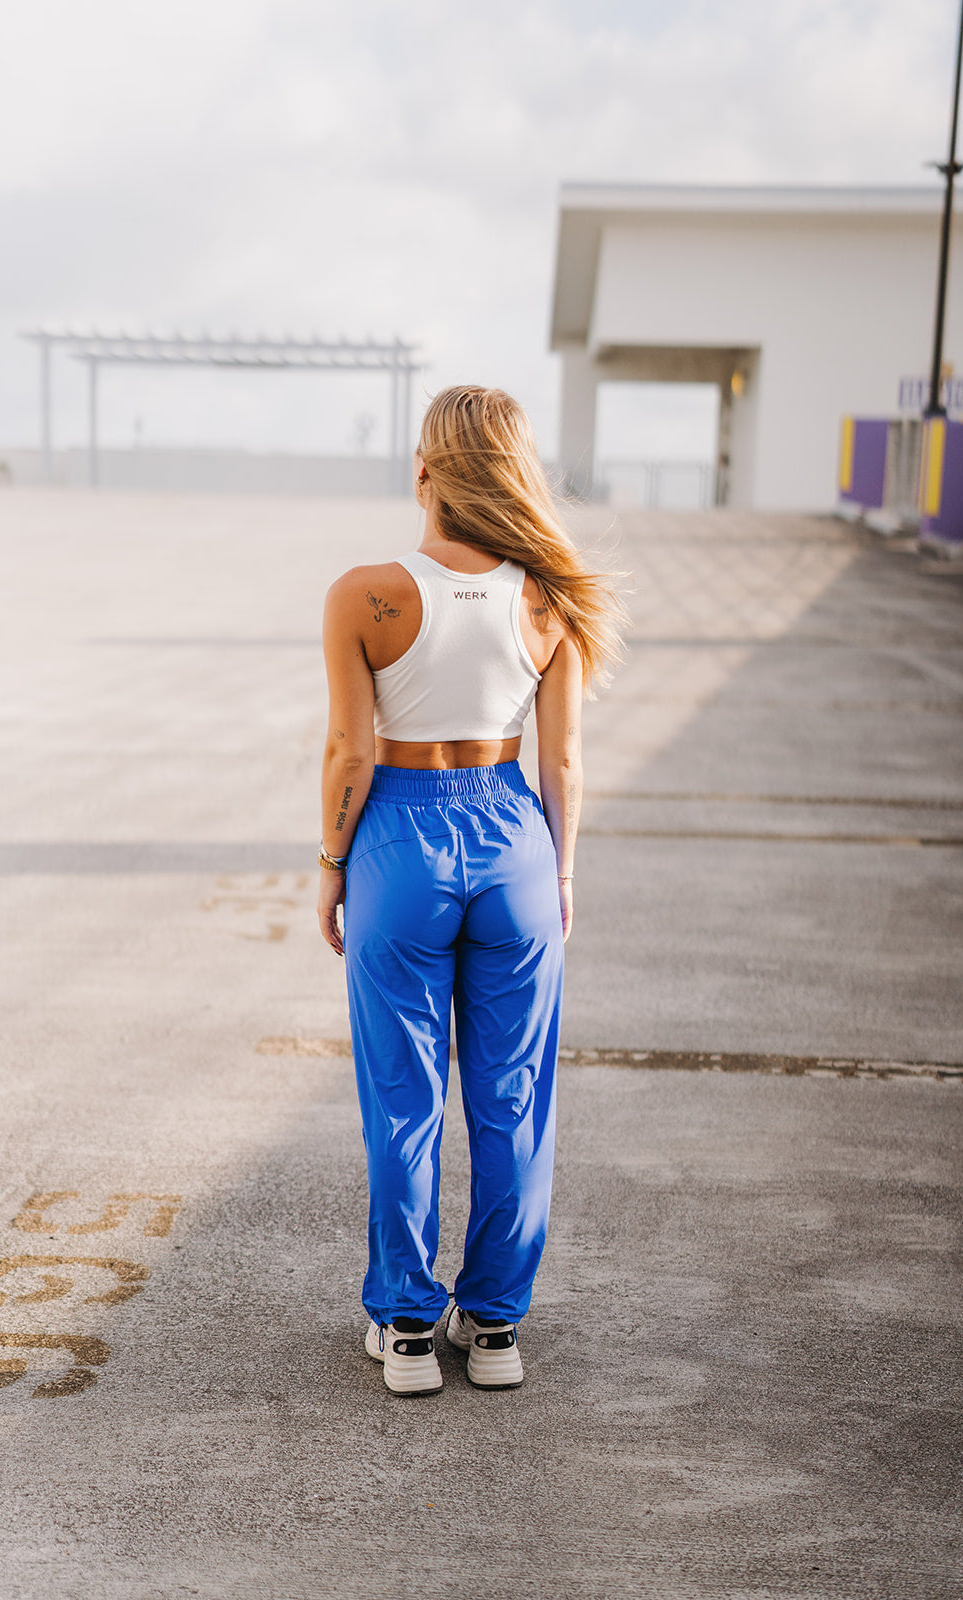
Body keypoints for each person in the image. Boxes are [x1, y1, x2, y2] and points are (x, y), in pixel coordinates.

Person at [317, 385, 623, 1396]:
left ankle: (406, 1329)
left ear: (423, 470)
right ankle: (491, 1326)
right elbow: (564, 762)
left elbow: (348, 753)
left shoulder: (364, 594)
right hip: (514, 840)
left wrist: (330, 867)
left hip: (398, 839)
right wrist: (560, 872)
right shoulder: (547, 594)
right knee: (512, 1098)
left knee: (402, 1099)